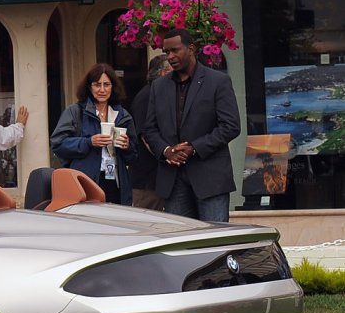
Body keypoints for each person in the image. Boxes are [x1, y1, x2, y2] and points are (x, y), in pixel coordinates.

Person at [143, 28, 241, 222]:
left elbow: (230, 126)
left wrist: (194, 148)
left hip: (210, 178)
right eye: (166, 52)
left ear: (191, 49)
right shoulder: (158, 86)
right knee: (180, 243)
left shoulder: (218, 81)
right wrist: (166, 150)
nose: (170, 56)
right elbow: (150, 129)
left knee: (214, 241)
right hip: (173, 178)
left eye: (175, 50)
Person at [50, 63, 137, 205]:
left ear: (113, 87)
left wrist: (127, 146)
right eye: (97, 85)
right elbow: (58, 144)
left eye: (106, 85)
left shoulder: (122, 115)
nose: (102, 89)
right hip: (84, 183)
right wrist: (89, 142)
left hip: (116, 183)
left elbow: (133, 156)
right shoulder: (75, 111)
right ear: (89, 87)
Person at [129, 55, 171, 210]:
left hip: (161, 178)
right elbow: (147, 136)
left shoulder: (162, 95)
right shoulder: (146, 97)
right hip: (148, 180)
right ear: (163, 73)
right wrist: (169, 155)